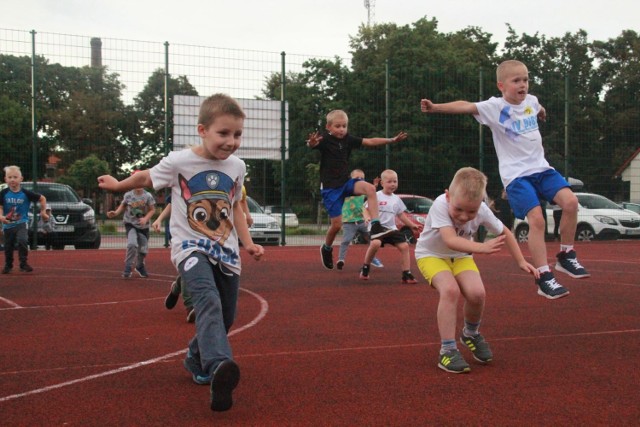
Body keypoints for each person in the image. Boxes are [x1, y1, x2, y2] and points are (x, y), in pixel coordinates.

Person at [98, 93, 264, 412]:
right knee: (207, 301)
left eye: (238, 134)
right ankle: (219, 366)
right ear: (202, 130)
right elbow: (146, 177)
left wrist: (248, 243)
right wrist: (118, 185)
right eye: (224, 133)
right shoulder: (179, 161)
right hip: (189, 247)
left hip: (226, 251)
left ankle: (195, 357)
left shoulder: (237, 166)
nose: (231, 141)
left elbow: (236, 208)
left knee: (226, 316)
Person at [420, 59, 589, 300]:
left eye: (526, 80)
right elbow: (466, 106)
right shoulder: (494, 107)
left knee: (571, 203)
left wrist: (541, 111)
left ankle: (566, 255)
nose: (523, 85)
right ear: (501, 85)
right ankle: (543, 276)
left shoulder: (531, 101)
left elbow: (537, 107)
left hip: (542, 168)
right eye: (517, 81)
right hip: (517, 176)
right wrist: (436, 107)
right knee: (537, 219)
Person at [415, 167, 538, 373]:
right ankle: (447, 350)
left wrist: (520, 261)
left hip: (461, 257)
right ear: (448, 196)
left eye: (471, 211)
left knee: (477, 293)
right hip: (431, 255)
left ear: (480, 204)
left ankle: (470, 334)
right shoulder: (439, 204)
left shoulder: (482, 210)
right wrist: (482, 247)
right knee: (450, 290)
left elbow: (505, 232)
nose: (464, 217)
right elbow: (451, 240)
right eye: (459, 209)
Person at [307, 109, 408, 270]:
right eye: (338, 126)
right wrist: (311, 143)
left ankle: (375, 225)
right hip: (331, 189)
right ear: (329, 127)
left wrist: (391, 140)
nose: (341, 129)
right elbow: (313, 144)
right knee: (336, 225)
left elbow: (370, 141)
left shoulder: (348, 139)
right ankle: (326, 248)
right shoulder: (325, 140)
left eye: (344, 126)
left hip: (346, 183)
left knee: (370, 188)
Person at [359, 169, 419, 284]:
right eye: (389, 182)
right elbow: (365, 208)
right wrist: (367, 217)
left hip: (391, 229)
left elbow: (401, 215)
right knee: (375, 243)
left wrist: (412, 225)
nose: (393, 184)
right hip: (377, 228)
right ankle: (365, 268)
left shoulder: (397, 199)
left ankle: (406, 274)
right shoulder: (376, 195)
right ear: (382, 183)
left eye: (395, 181)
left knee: (405, 246)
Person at [107, 171, 156, 278]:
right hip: (131, 224)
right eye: (135, 181)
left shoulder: (147, 196)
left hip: (143, 226)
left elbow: (152, 210)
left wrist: (145, 219)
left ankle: (139, 265)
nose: (138, 184)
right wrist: (115, 213)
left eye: (140, 181)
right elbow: (123, 206)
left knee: (143, 249)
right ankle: (128, 267)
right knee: (132, 245)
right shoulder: (128, 195)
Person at [0, 165, 49, 274]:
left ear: (21, 179)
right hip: (8, 224)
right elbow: (1, 207)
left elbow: (42, 198)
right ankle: (8, 264)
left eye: (15, 177)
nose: (12, 179)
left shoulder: (26, 193)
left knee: (22, 240)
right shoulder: (3, 193)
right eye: (10, 177)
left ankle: (23, 263)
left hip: (22, 222)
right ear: (5, 179)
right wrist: (1, 217)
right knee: (8, 245)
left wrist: (43, 212)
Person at [337, 169, 383, 270]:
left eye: (361, 178)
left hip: (362, 221)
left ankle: (372, 258)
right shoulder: (346, 191)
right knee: (346, 241)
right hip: (349, 222)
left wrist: (375, 185)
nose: (359, 180)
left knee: (372, 240)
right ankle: (341, 260)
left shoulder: (362, 191)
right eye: (357, 178)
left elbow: (370, 192)